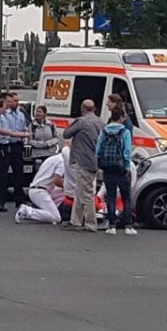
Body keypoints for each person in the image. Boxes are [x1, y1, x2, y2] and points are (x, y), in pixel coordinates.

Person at [62, 101, 104, 232]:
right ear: (94, 109)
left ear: (82, 108)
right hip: (95, 160)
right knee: (80, 190)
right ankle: (76, 221)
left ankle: (91, 223)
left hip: (83, 160)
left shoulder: (81, 121)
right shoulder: (100, 122)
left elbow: (66, 134)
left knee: (85, 193)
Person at [97, 105, 137, 236]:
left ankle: (111, 226)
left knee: (111, 197)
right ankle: (128, 226)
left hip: (107, 167)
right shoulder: (125, 132)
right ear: (121, 118)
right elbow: (127, 151)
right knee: (126, 198)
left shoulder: (104, 131)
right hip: (121, 167)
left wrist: (100, 163)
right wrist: (126, 167)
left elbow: (98, 149)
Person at [0, 91, 29, 211]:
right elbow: (4, 129)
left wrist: (24, 136)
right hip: (7, 144)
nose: (16, 102)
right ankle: (0, 201)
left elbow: (24, 127)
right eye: (14, 100)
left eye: (17, 100)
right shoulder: (4, 114)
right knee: (3, 174)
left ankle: (19, 199)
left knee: (18, 174)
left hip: (17, 145)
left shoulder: (20, 114)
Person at [16, 145, 66, 225]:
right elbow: (57, 180)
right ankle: (28, 211)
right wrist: (71, 185)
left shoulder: (53, 158)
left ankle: (48, 209)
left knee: (63, 192)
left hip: (38, 188)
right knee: (56, 217)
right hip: (40, 191)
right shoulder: (62, 161)